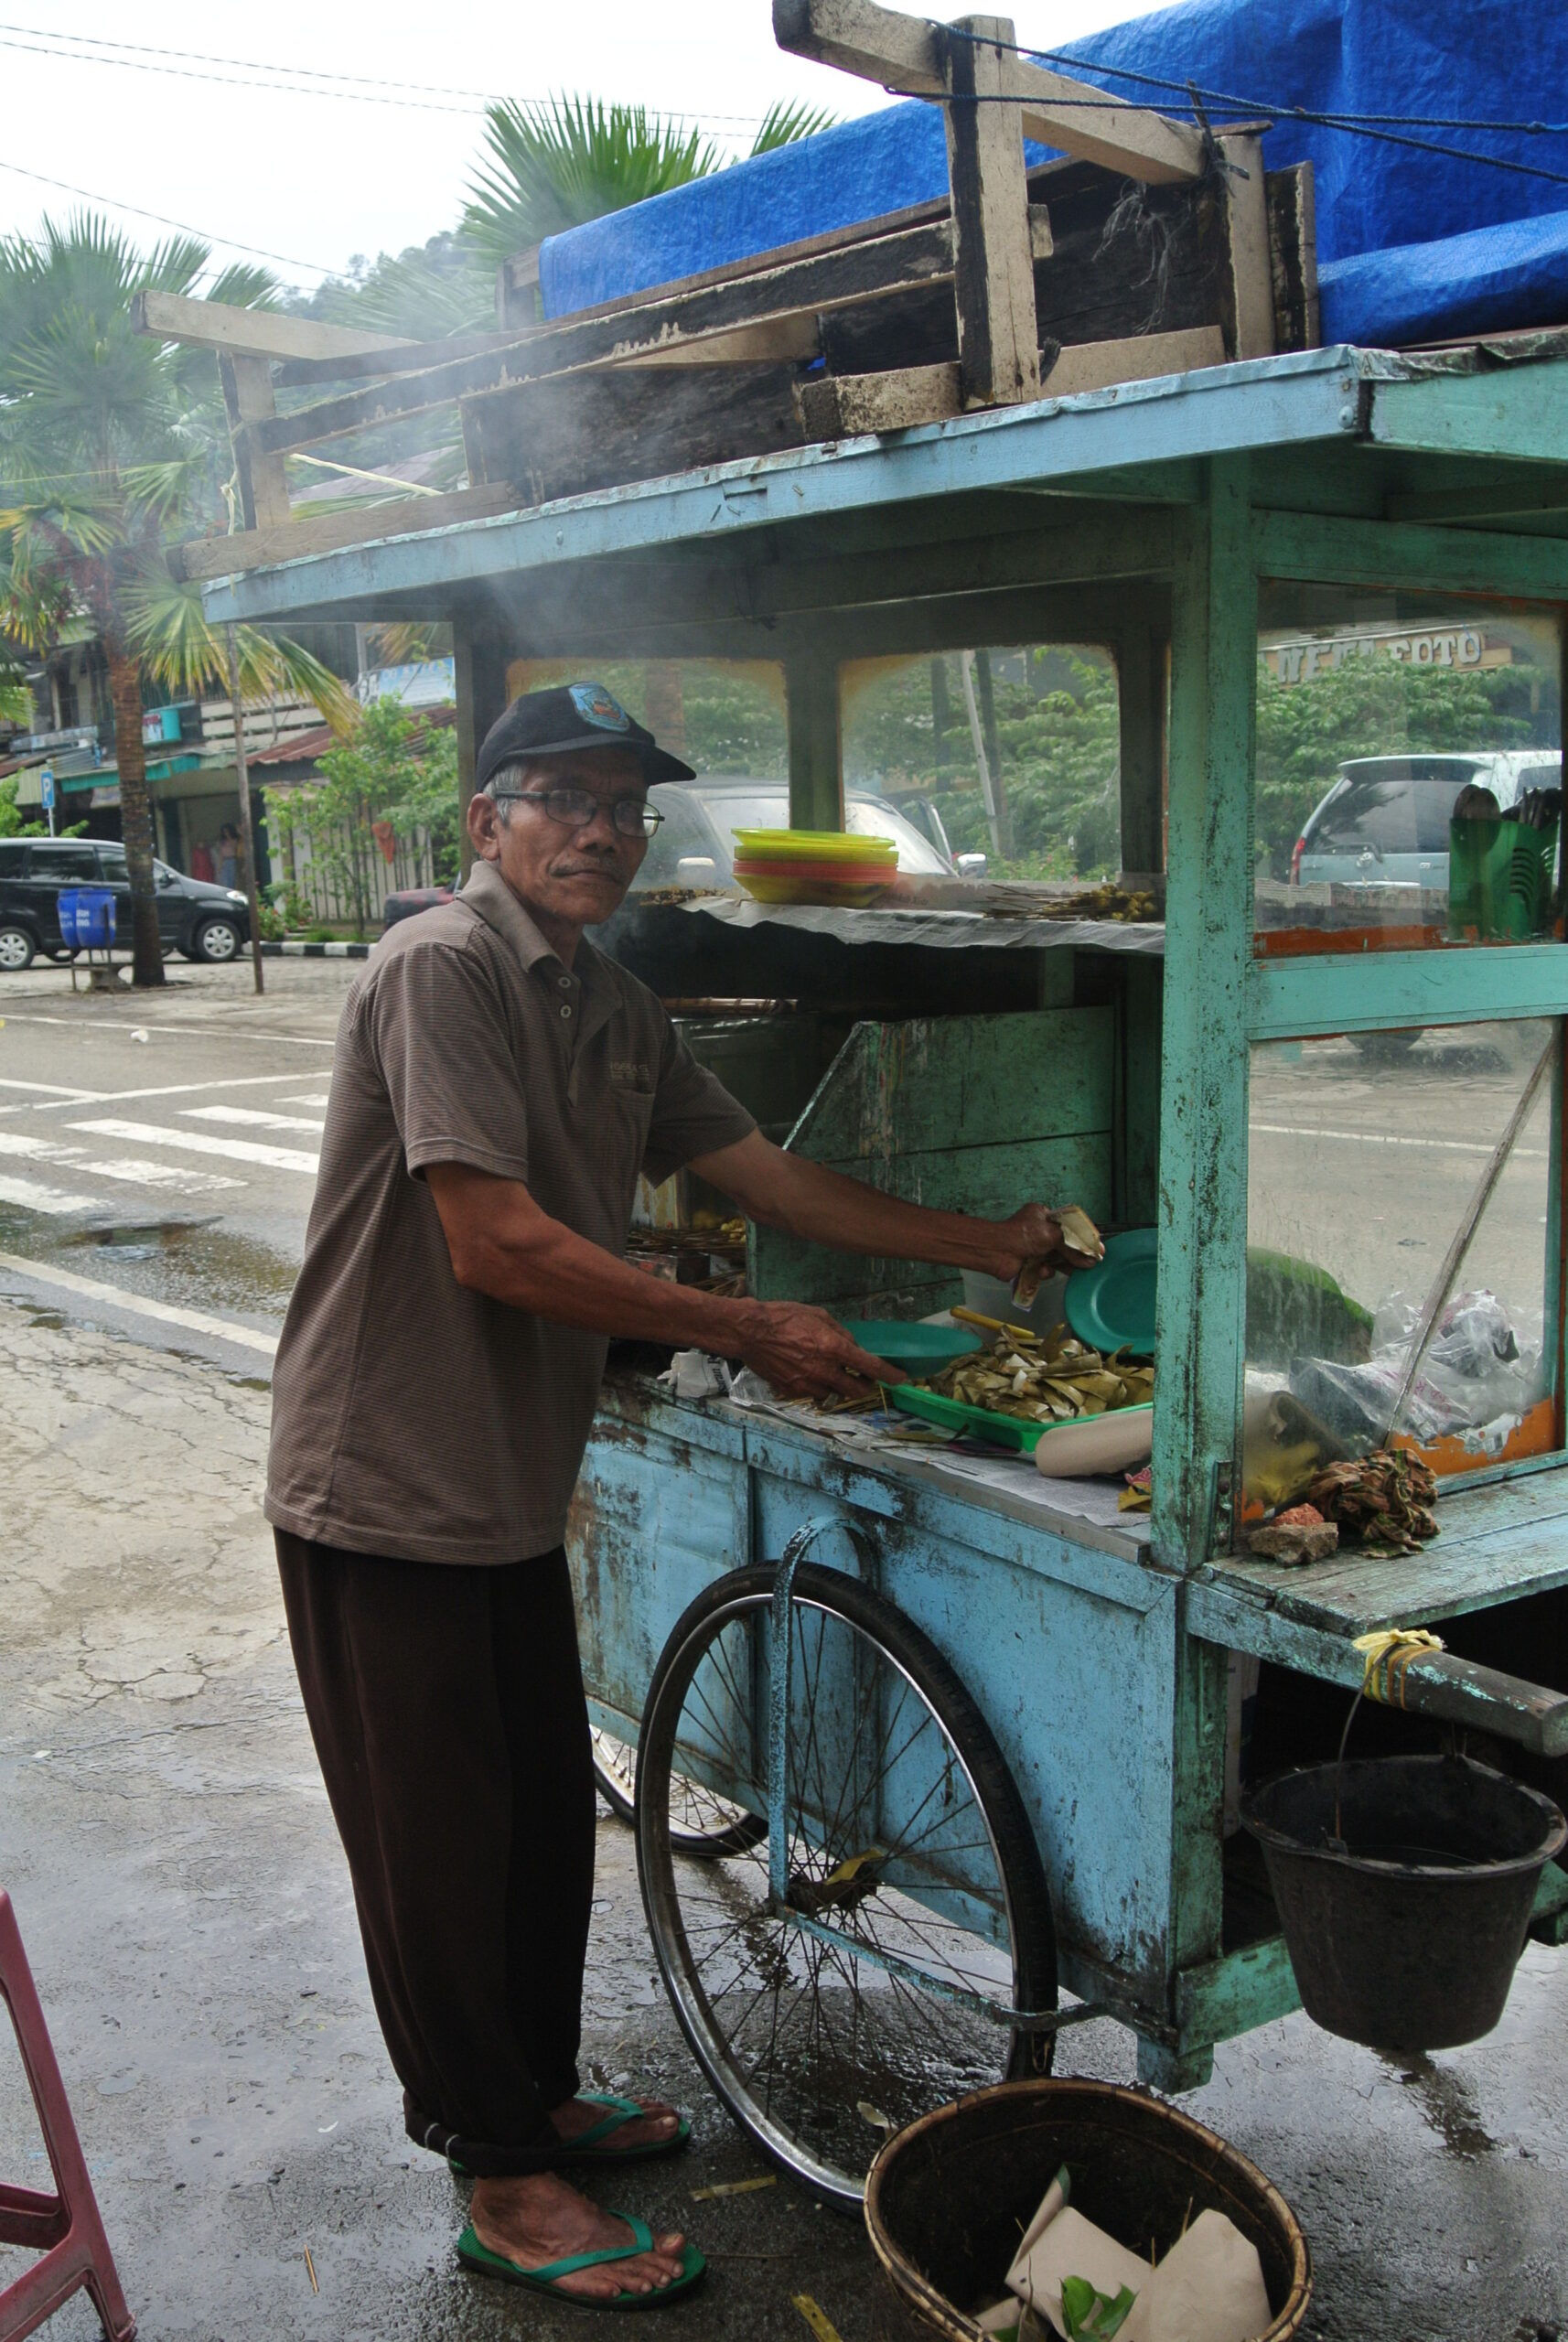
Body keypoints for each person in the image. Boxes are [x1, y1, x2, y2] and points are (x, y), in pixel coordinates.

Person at [264, 682, 1100, 2310]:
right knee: (437, 1849)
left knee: (530, 1833)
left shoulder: (601, 998)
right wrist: (747, 1326)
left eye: (622, 805)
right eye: (560, 797)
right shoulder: (446, 967)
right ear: (484, 822)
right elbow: (487, 1240)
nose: (597, 829)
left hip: (506, 1480)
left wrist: (985, 1245)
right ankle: (499, 2174)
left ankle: (538, 2096)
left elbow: (767, 1177)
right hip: (384, 1484)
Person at [215, 822, 240, 887]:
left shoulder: (234, 839)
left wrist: (229, 837)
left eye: (227, 831)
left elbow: (234, 847)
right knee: (224, 880)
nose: (225, 833)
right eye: (224, 831)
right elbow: (221, 853)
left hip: (232, 860)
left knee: (231, 879)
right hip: (224, 861)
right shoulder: (222, 841)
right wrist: (219, 866)